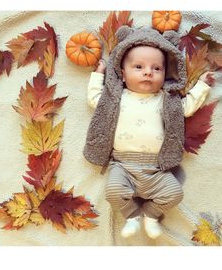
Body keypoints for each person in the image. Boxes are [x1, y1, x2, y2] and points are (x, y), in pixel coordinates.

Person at [83, 26, 212, 239]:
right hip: (122, 165)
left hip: (156, 168)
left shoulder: (165, 100)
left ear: (166, 74)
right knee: (112, 191)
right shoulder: (117, 98)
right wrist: (98, 75)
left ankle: (151, 215)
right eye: (139, 67)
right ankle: (132, 215)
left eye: (157, 69)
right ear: (123, 75)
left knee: (174, 194)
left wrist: (201, 86)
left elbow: (186, 107)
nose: (148, 72)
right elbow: (95, 100)